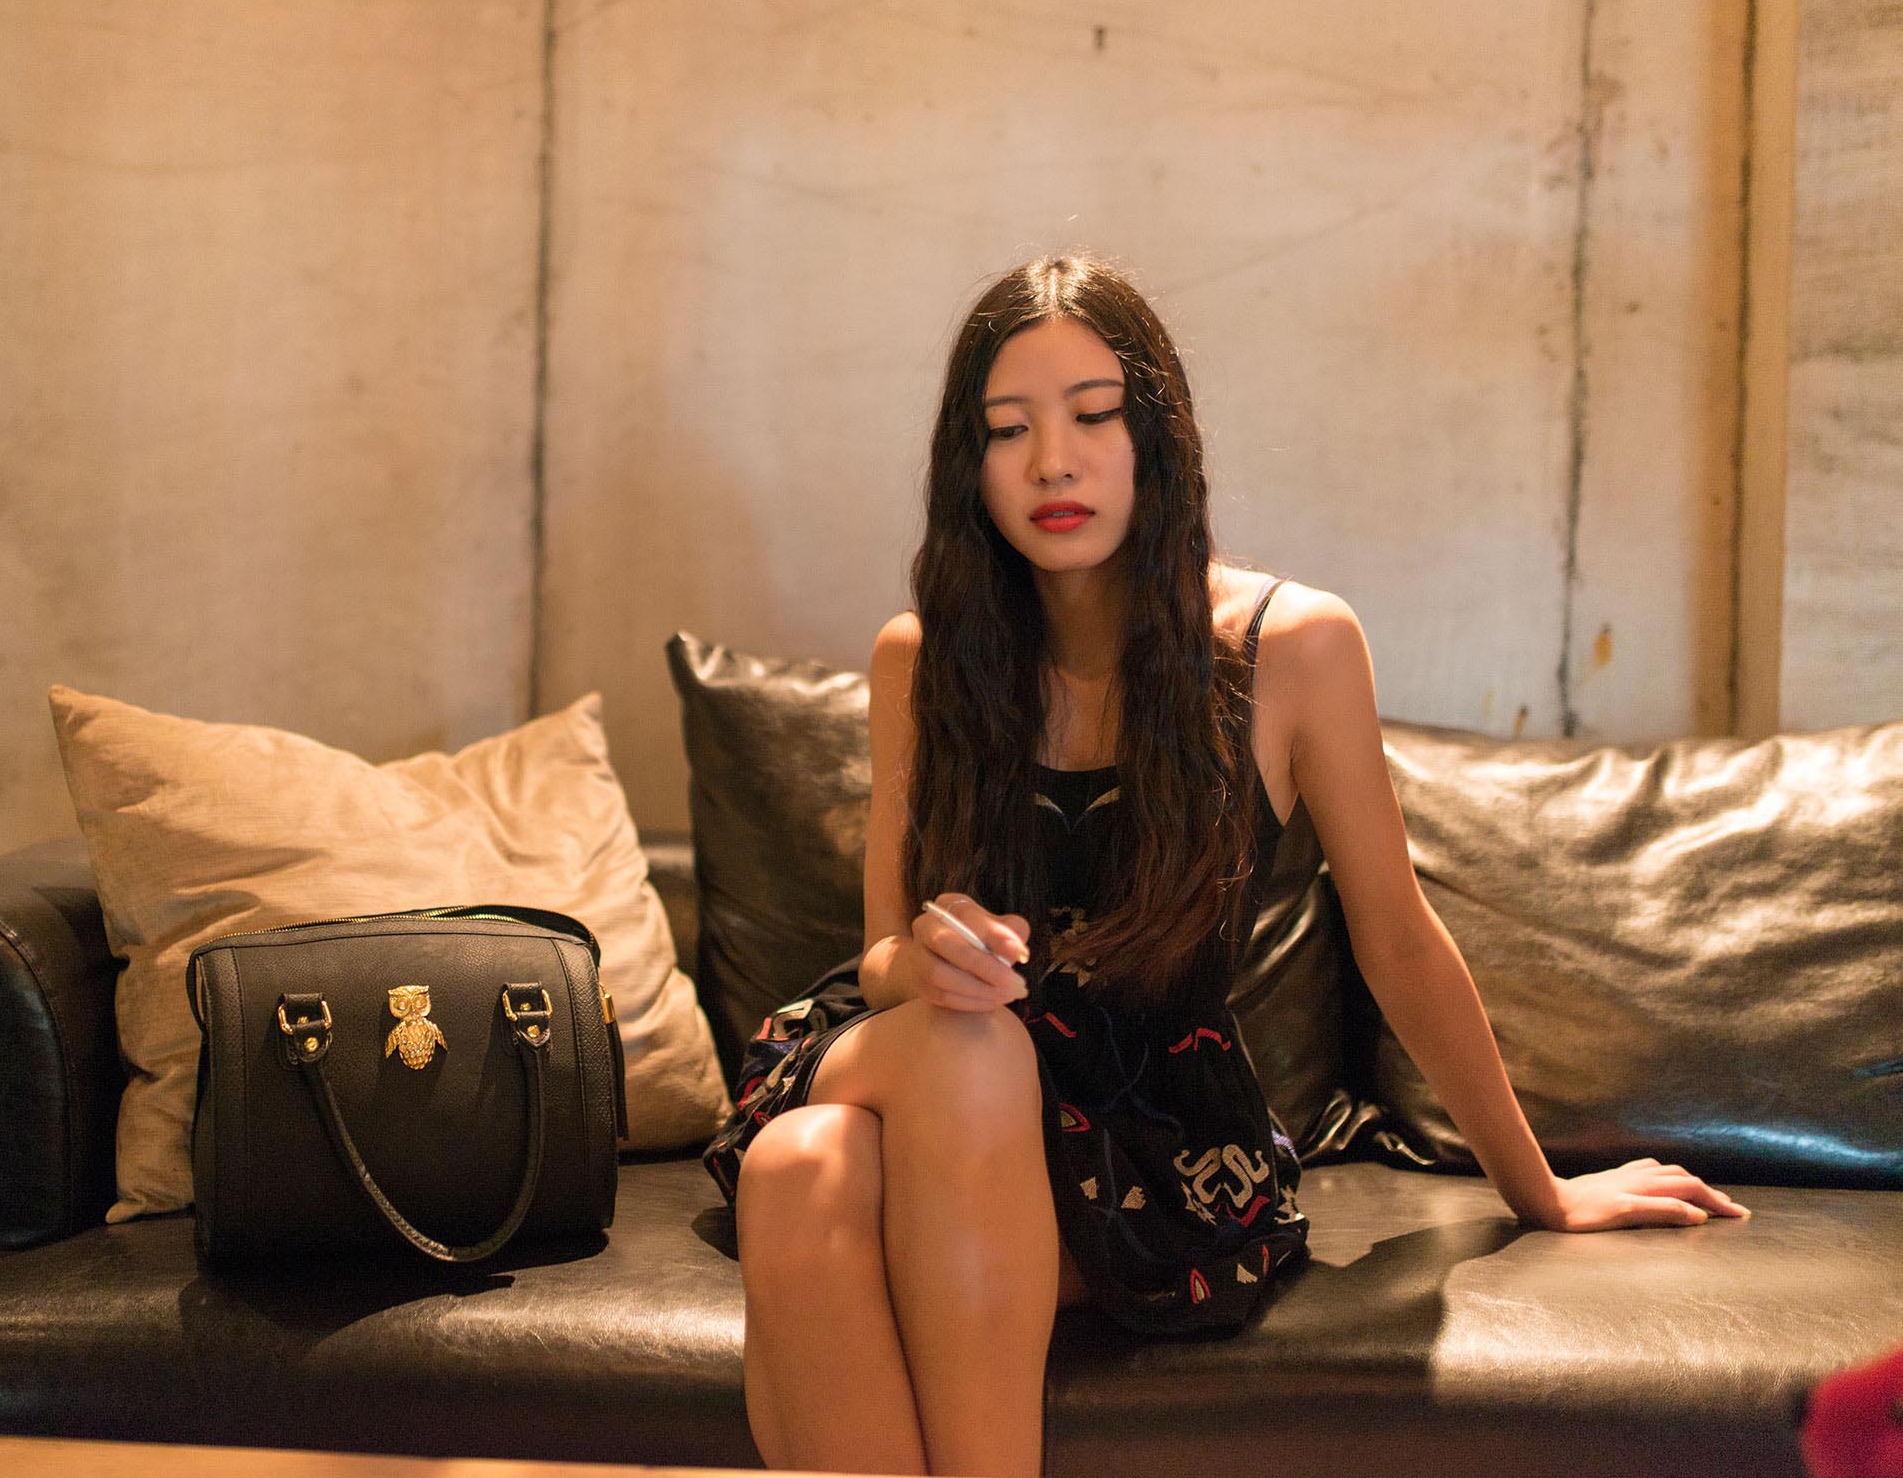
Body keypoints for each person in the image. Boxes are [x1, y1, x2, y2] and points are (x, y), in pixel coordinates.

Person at [695, 253, 1751, 1478]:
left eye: (1093, 416)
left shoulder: (1292, 647)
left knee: (803, 1167)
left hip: (1146, 1137)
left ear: (1156, 435)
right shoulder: (922, 659)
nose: (1052, 462)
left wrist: (1542, 1191)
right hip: (915, 1057)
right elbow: (880, 958)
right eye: (1007, 430)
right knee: (955, 1052)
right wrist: (923, 964)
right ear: (966, 465)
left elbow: (1398, 938)